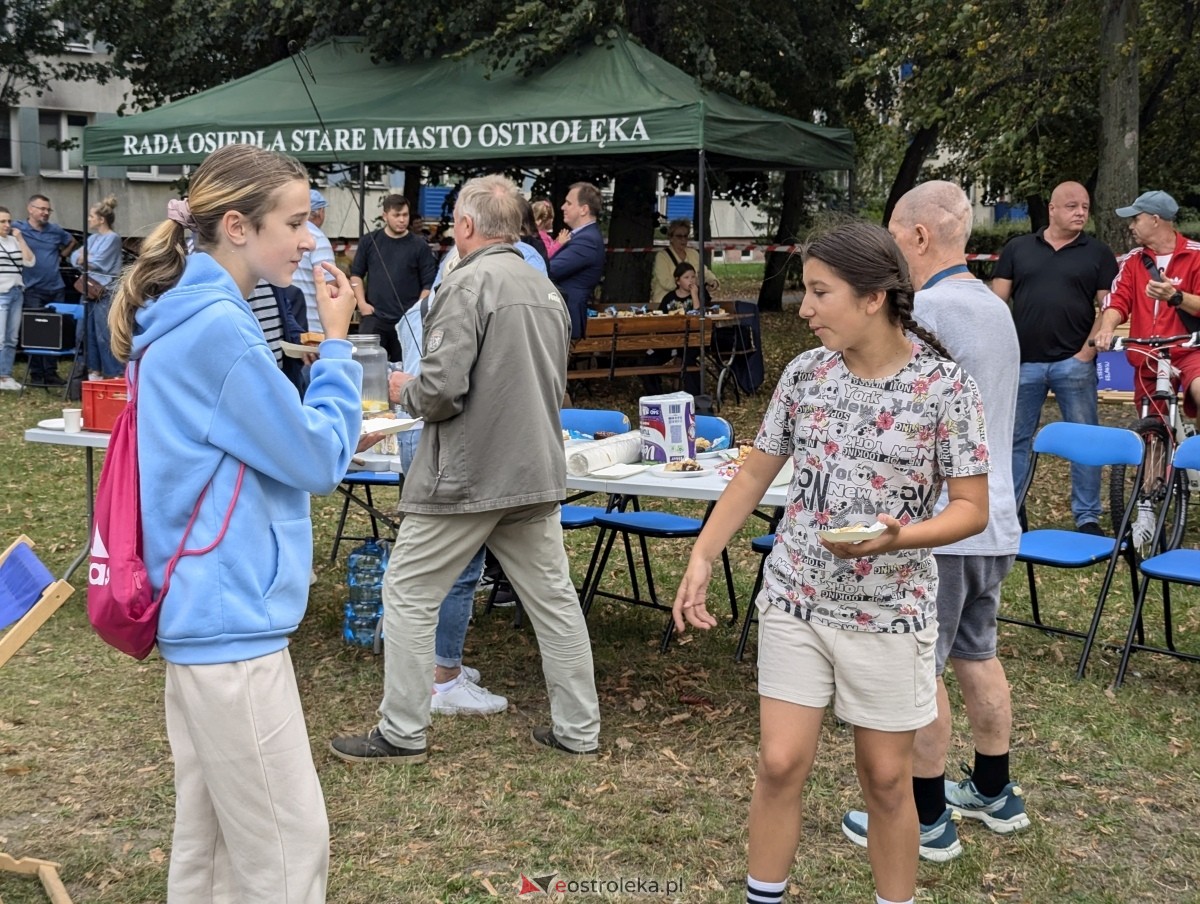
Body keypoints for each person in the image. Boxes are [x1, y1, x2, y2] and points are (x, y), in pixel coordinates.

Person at [672, 222, 990, 904]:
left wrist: (898, 538)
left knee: (885, 779)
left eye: (821, 293)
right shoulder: (805, 374)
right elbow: (754, 474)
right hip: (796, 599)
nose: (805, 310)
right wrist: (703, 553)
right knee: (779, 762)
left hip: (889, 613)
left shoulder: (946, 389)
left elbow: (972, 509)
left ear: (873, 297)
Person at [108, 143, 362, 903]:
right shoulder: (217, 328)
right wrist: (338, 347)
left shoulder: (186, 314)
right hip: (229, 621)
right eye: (296, 221)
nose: (310, 240)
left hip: (204, 612)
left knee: (213, 842)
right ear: (237, 227)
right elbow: (316, 457)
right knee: (286, 849)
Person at [330, 174, 600, 765]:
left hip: (468, 473)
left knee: (407, 591)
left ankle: (402, 731)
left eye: (454, 221)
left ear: (468, 226)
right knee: (554, 602)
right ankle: (579, 729)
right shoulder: (544, 287)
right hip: (533, 468)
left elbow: (440, 392)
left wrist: (402, 387)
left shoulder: (465, 283)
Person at [840, 181, 1027, 864]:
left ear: (918, 236)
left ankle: (925, 818)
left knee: (921, 667)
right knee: (977, 654)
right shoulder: (994, 306)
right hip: (992, 516)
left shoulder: (931, 310)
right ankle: (995, 791)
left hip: (940, 525)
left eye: (892, 233)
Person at [389, 237, 508, 717]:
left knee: (426, 561)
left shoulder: (422, 309)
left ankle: (434, 663)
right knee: (460, 567)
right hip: (442, 440)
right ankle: (444, 675)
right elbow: (444, 391)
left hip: (415, 436)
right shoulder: (467, 306)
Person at [991, 181, 1117, 535]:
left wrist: (1085, 353)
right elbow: (996, 305)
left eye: (1085, 207)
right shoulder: (1018, 248)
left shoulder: (1098, 253)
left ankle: (1088, 517)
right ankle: (1010, 513)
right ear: (1052, 209)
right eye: (1072, 206)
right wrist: (1004, 353)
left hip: (1074, 364)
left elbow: (1109, 307)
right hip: (1023, 364)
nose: (1081, 213)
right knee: (1014, 441)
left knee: (1085, 442)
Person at [1094, 190, 1200, 542]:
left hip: (1188, 350)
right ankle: (1146, 510)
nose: (1131, 225)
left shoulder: (1195, 255)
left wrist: (1176, 297)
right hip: (1148, 355)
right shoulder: (1133, 261)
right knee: (1152, 435)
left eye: (1136, 218)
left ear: (1156, 220)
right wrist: (1107, 328)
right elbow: (1117, 300)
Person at [349, 193, 437, 362]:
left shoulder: (420, 246)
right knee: (365, 366)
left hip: (407, 320)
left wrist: (416, 312)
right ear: (385, 216)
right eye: (396, 215)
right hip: (374, 317)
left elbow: (428, 284)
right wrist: (361, 304)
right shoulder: (369, 241)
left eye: (405, 215)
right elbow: (356, 275)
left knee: (406, 368)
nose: (402, 220)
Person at [14, 194, 76, 386]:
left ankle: (50, 372)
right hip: (32, 288)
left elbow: (72, 241)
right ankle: (36, 373)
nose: (46, 212)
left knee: (54, 332)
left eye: (48, 209)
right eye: (42, 209)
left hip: (55, 287)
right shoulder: (18, 228)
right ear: (30, 209)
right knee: (34, 332)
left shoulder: (55, 230)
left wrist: (61, 256)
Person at [70, 195, 125, 380]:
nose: (89, 219)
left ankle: (114, 372)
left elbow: (99, 263)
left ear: (101, 219)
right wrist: (85, 259)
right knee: (86, 332)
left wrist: (86, 258)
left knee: (103, 333)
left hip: (104, 291)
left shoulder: (113, 238)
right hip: (88, 289)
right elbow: (74, 258)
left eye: (91, 216)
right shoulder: (93, 238)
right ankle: (94, 370)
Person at [548, 182, 606, 338]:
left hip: (566, 318)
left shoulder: (587, 240)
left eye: (568, 203)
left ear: (584, 209)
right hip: (562, 317)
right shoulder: (583, 236)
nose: (562, 207)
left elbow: (550, 270)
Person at [0, 206, 35, 390]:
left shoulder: (14, 241)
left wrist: (20, 239)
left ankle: (5, 375)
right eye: (2, 221)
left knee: (11, 338)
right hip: (1, 293)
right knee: (0, 337)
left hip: (16, 292)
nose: (7, 225)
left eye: (9, 221)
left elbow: (30, 261)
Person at [293, 189, 336, 334]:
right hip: (313, 326)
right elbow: (330, 288)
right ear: (320, 212)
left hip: (289, 322)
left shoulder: (286, 234)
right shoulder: (317, 238)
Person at [649, 217, 719, 304]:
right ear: (671, 238)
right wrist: (692, 284)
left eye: (685, 236)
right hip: (666, 302)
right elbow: (666, 282)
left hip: (692, 302)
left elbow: (704, 272)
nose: (683, 239)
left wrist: (713, 281)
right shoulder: (661, 256)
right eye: (679, 236)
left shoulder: (694, 253)